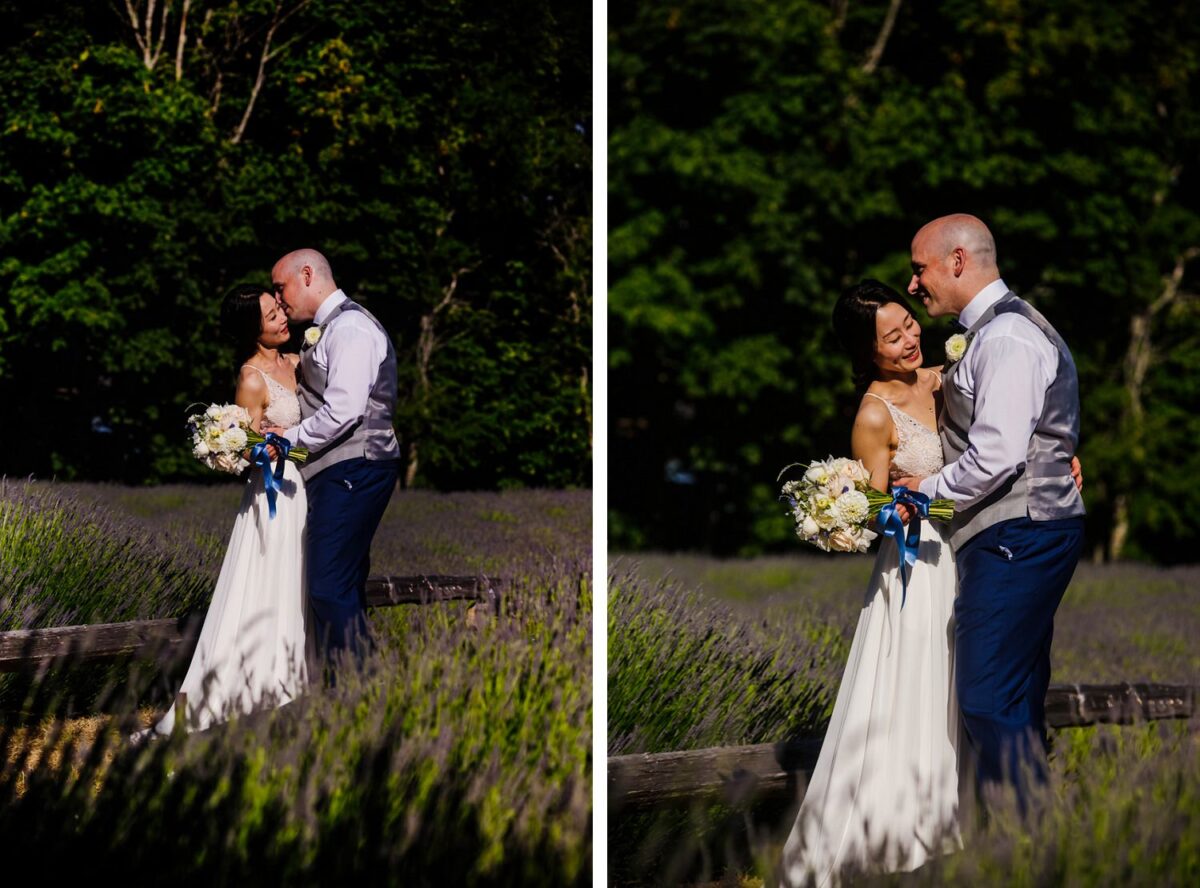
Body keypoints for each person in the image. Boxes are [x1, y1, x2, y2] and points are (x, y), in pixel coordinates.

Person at [896, 213, 1086, 813]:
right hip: (1020, 528)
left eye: (918, 268)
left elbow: (998, 455)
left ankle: (1031, 843)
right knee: (1018, 693)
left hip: (1019, 531)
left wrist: (921, 489)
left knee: (985, 697)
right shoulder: (996, 333)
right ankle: (1026, 847)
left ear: (957, 261)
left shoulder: (1005, 337)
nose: (913, 284)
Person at [779, 280, 963, 886]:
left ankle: (954, 825)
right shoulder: (873, 414)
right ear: (868, 350)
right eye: (892, 337)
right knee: (913, 683)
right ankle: (895, 837)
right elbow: (876, 510)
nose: (910, 339)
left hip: (966, 555)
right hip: (918, 565)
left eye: (909, 324)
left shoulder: (945, 374)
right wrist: (918, 506)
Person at [132, 285, 311, 742]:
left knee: (302, 581)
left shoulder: (297, 362)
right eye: (271, 316)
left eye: (279, 310)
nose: (282, 319)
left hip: (305, 489)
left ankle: (298, 688)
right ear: (253, 330)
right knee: (268, 583)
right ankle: (254, 693)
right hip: (274, 494)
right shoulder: (252, 378)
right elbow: (247, 447)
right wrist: (253, 444)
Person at [264, 249, 400, 672]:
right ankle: (352, 697)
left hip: (357, 466)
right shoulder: (328, 329)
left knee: (327, 586)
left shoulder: (352, 328)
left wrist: (289, 439)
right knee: (343, 583)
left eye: (280, 287)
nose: (279, 298)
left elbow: (345, 411)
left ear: (307, 275)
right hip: (339, 470)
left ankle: (361, 695)